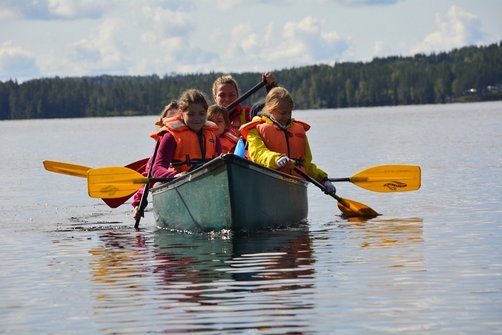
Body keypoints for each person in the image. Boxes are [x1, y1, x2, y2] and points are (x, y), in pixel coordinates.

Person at [239, 86, 337, 194]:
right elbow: (258, 154)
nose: (287, 116)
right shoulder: (255, 130)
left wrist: (323, 180)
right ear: (270, 110)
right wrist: (276, 159)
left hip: (296, 191)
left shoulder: (298, 130)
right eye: (283, 113)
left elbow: (306, 165)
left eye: (289, 112)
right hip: (268, 188)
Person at [151, 89, 221, 179]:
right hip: (181, 182)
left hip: (209, 179)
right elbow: (157, 169)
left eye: (201, 114)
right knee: (157, 184)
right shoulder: (170, 137)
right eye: (191, 114)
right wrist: (174, 175)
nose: (197, 118)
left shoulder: (213, 135)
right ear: (181, 113)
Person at [132, 100, 180, 221]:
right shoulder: (160, 148)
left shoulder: (194, 139)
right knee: (158, 183)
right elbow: (147, 178)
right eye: (170, 122)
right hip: (170, 184)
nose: (173, 126)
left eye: (177, 121)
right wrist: (138, 204)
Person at [212, 72, 277, 135]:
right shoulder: (208, 119)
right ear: (215, 97)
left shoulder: (248, 114)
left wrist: (271, 87)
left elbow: (275, 112)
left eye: (231, 95)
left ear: (238, 96)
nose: (227, 99)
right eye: (222, 95)